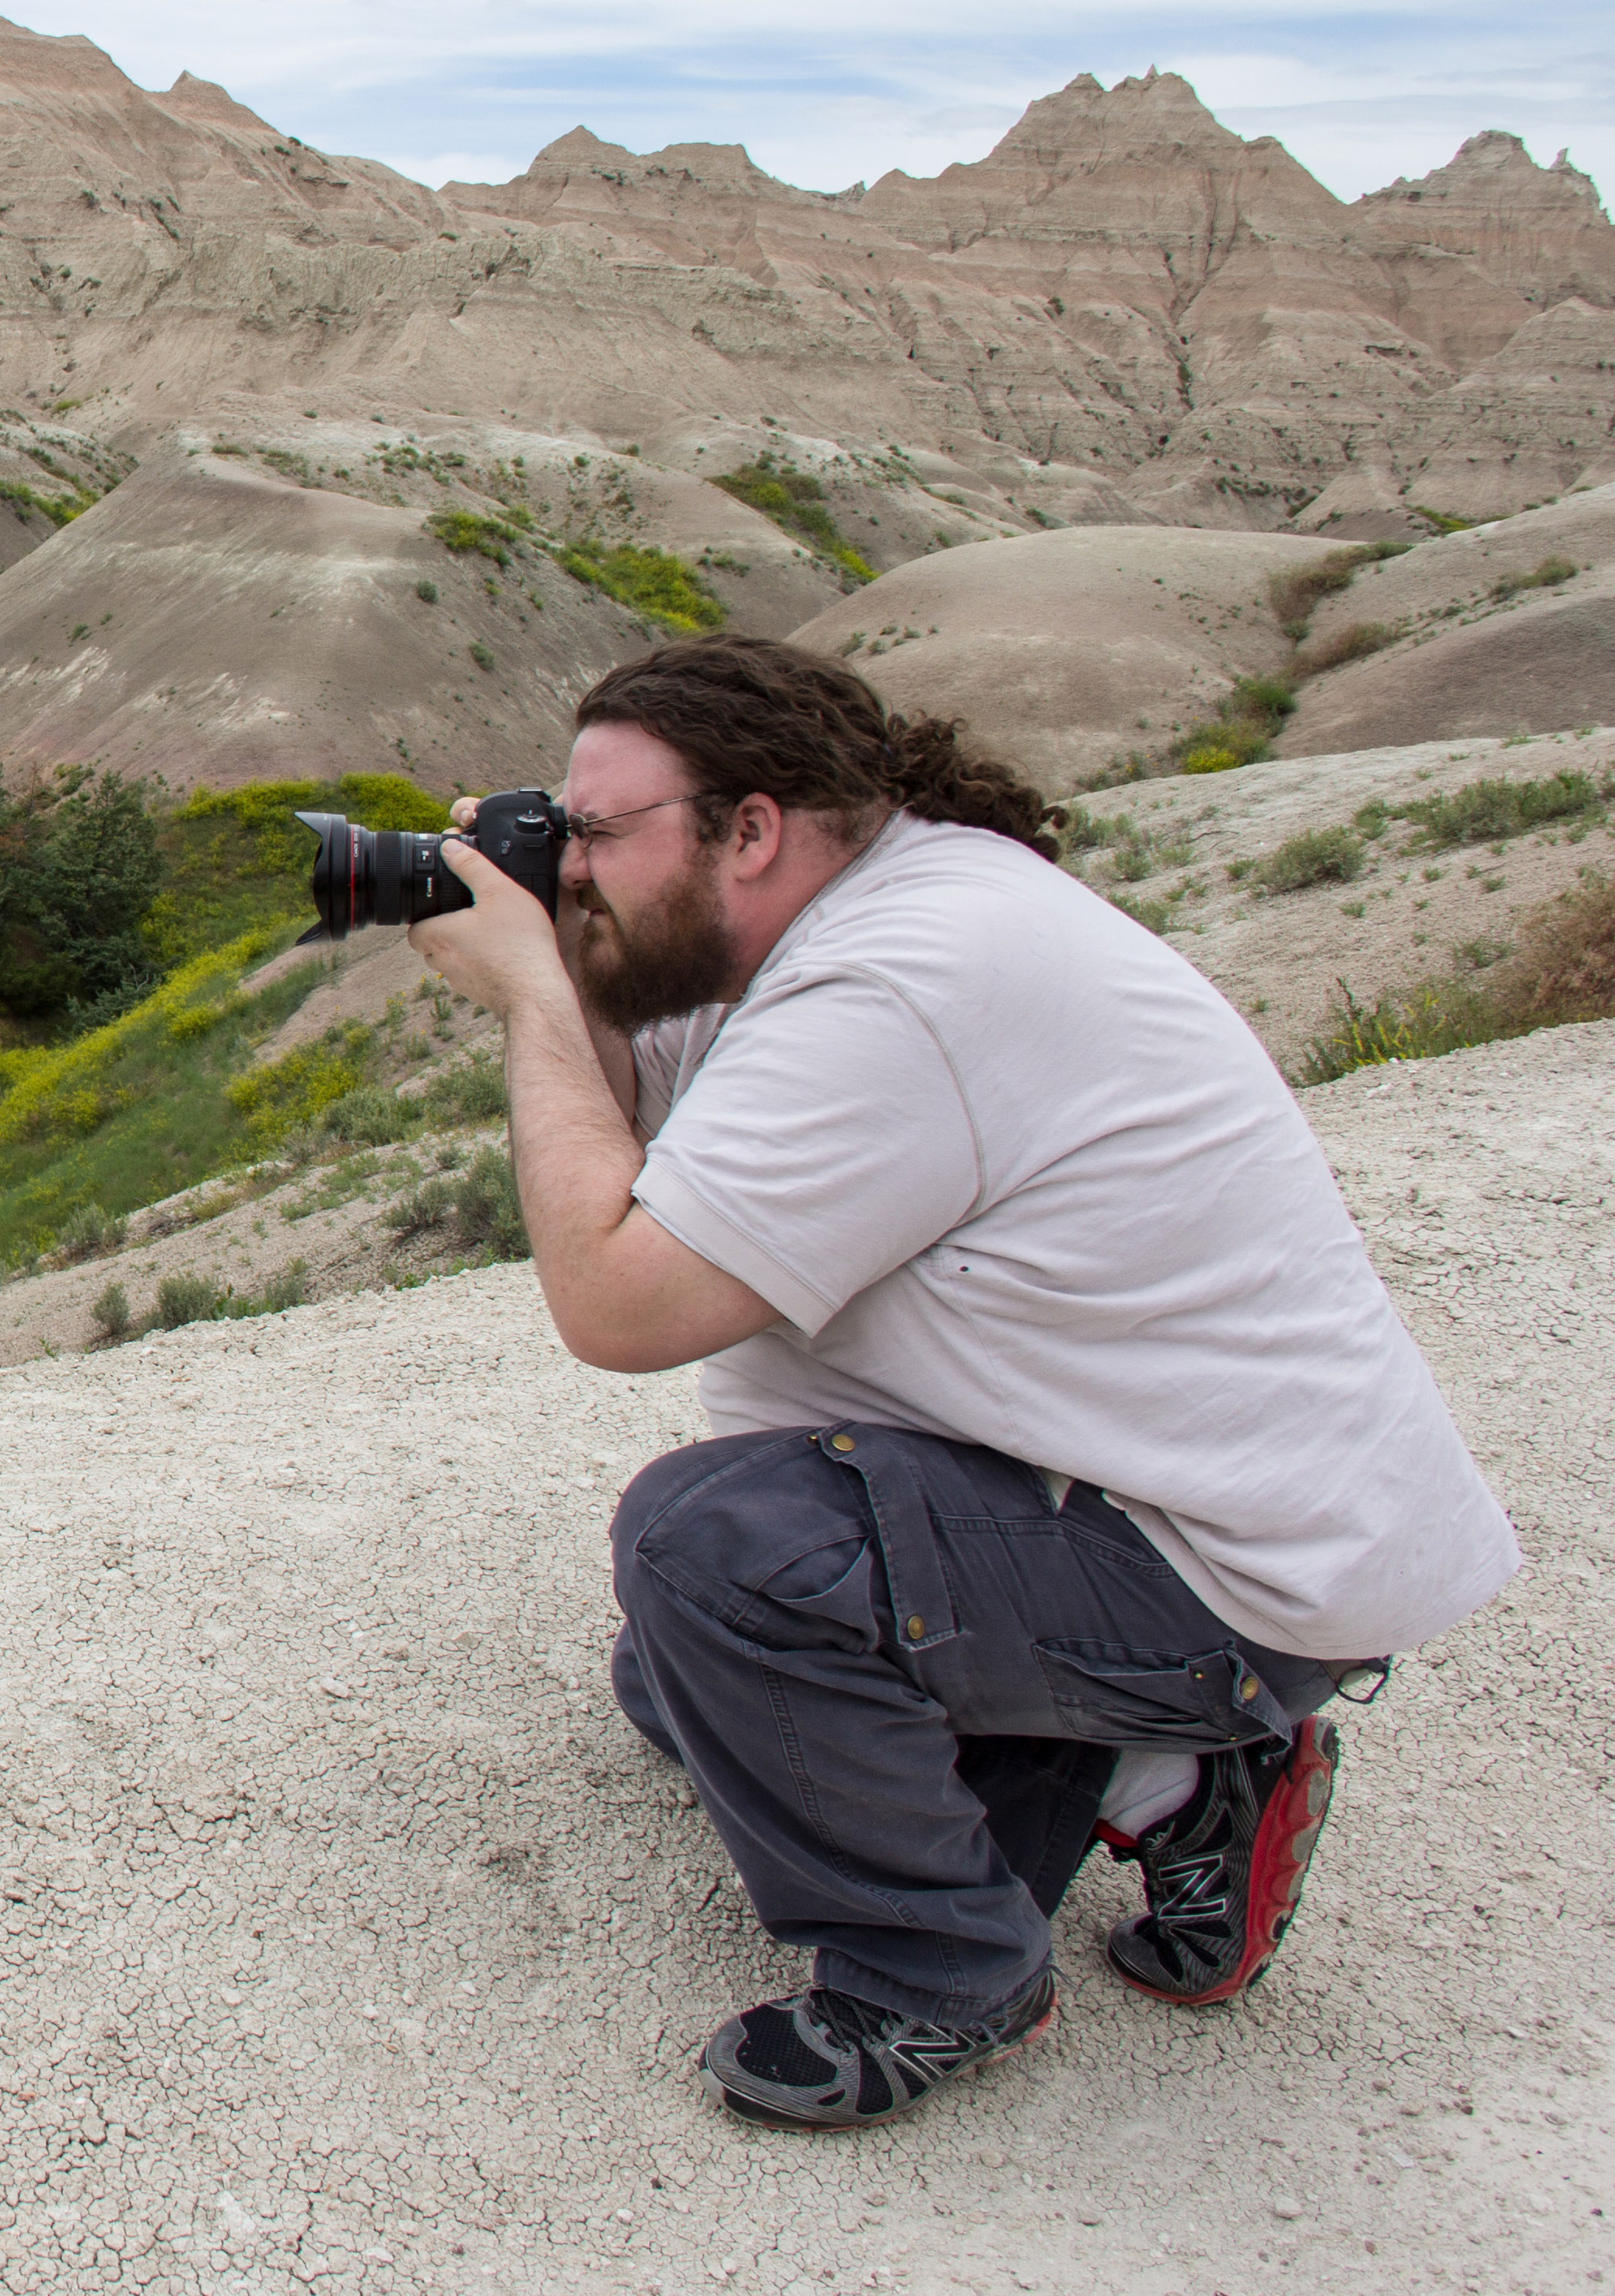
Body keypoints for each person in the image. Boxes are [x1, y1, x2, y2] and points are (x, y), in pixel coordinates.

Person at [405, 634, 1519, 2133]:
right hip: (1126, 1503)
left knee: (713, 1557)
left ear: (752, 829)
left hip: (1224, 1570)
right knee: (678, 1682)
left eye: (600, 833)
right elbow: (629, 1120)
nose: (578, 863)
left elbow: (620, 1300)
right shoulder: (806, 931)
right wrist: (570, 951)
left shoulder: (906, 982)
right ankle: (1165, 1785)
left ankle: (945, 1975)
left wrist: (540, 998)